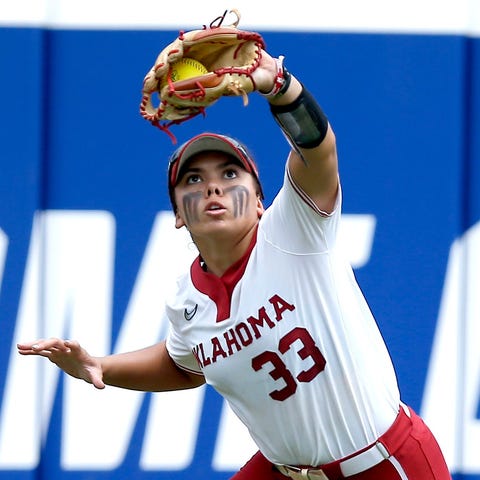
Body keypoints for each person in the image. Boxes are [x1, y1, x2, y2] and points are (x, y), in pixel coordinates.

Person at [17, 45, 451, 480]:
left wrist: (279, 86)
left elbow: (318, 150)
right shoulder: (188, 299)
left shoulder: (293, 232)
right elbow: (184, 364)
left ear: (261, 202)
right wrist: (100, 367)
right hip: (283, 471)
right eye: (193, 179)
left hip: (384, 463)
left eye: (229, 174)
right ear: (177, 216)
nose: (212, 189)